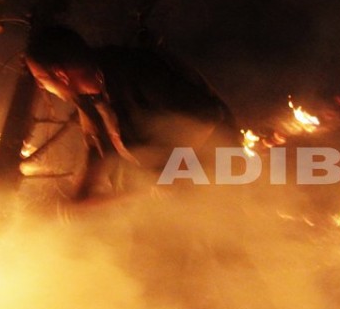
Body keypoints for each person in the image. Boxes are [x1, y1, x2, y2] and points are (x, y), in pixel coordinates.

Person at [25, 25, 239, 198]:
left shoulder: (139, 71)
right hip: (156, 187)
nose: (41, 87)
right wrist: (82, 193)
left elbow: (206, 116)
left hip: (212, 173)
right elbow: (96, 144)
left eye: (41, 79)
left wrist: (169, 176)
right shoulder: (83, 95)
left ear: (61, 75)